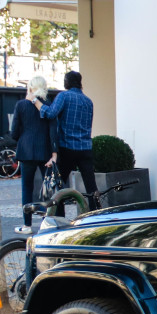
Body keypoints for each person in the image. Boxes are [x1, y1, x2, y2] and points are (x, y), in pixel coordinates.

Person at [35, 70, 97, 211]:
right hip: (85, 148)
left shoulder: (64, 96)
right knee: (91, 186)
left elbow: (50, 113)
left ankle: (59, 216)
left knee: (59, 185)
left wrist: (35, 101)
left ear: (67, 82)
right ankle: (95, 214)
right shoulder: (88, 101)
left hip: (67, 147)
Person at [10, 75, 57, 232]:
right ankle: (46, 223)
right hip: (44, 151)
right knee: (47, 189)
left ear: (30, 88)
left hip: (26, 150)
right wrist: (53, 152)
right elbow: (53, 131)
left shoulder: (21, 105)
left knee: (27, 188)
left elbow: (14, 132)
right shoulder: (48, 106)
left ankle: (27, 225)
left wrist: (23, 138)